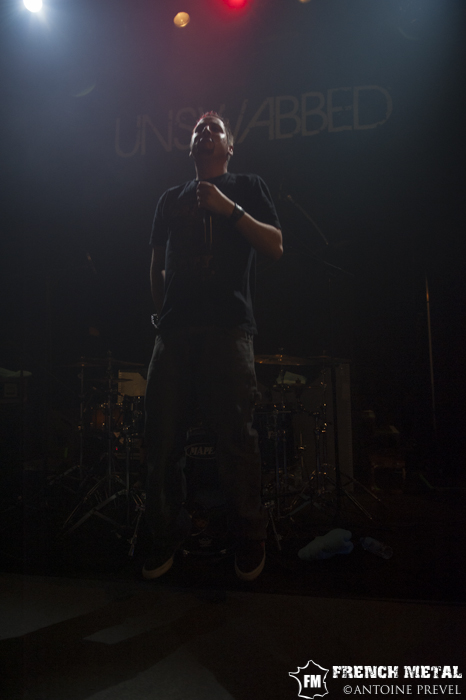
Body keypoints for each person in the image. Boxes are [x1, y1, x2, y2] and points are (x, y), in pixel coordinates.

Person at [143, 111, 283, 581]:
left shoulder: (248, 187)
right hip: (174, 335)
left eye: (215, 128)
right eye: (198, 128)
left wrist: (230, 209)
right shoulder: (169, 199)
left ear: (230, 146)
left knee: (237, 441)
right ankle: (164, 536)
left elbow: (275, 246)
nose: (205, 131)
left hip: (228, 331)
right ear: (190, 147)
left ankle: (248, 537)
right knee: (161, 440)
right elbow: (157, 263)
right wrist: (163, 315)